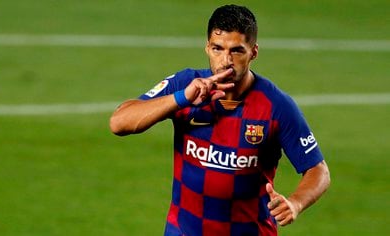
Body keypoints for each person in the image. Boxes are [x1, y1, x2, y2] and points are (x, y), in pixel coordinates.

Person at [110, 4, 330, 236]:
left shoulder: (276, 106)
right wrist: (181, 98)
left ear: (253, 52)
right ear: (206, 47)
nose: (225, 60)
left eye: (236, 50)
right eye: (217, 48)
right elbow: (119, 122)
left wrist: (295, 203)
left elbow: (318, 170)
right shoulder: (186, 84)